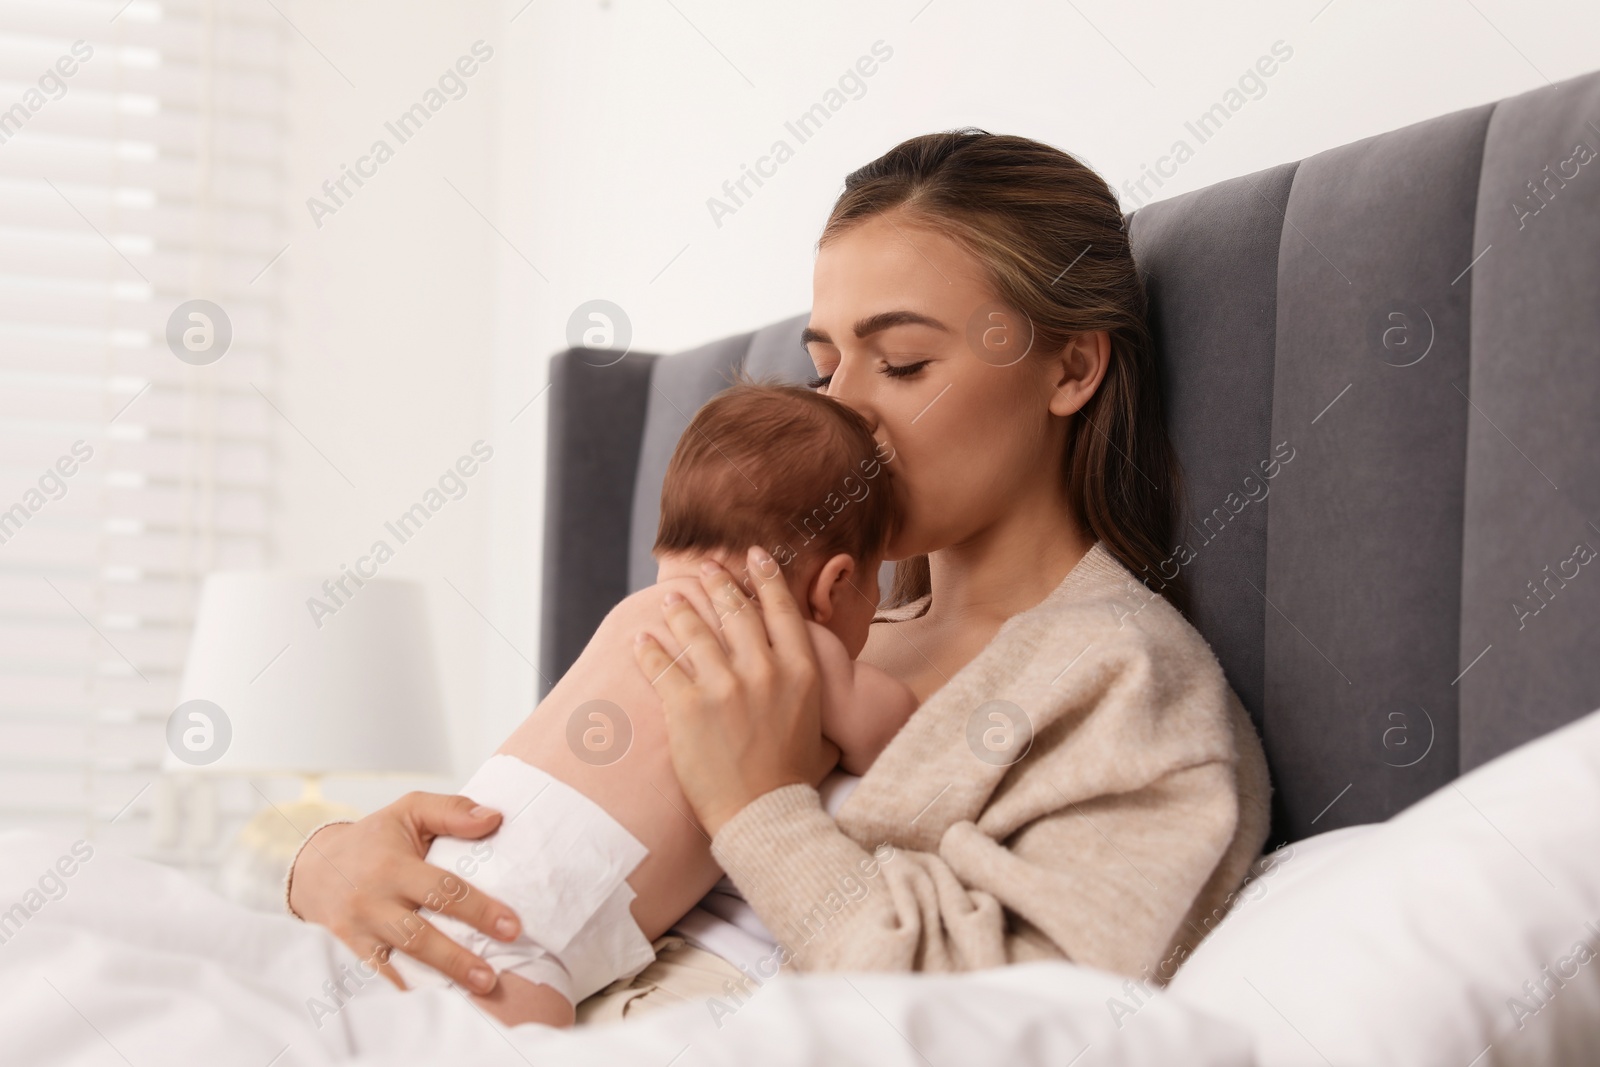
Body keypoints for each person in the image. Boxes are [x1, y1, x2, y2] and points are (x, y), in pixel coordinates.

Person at [284, 128, 1273, 1024]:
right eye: (825, 364)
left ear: (1069, 369)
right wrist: (333, 864)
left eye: (902, 361)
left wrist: (758, 806)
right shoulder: (808, 621)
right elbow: (552, 845)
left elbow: (1026, 1020)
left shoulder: (1126, 688)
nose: (844, 410)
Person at [379, 382, 920, 1027]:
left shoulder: (630, 620)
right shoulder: (785, 648)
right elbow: (896, 734)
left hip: (438, 885)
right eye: (878, 584)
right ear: (834, 584)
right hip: (522, 936)